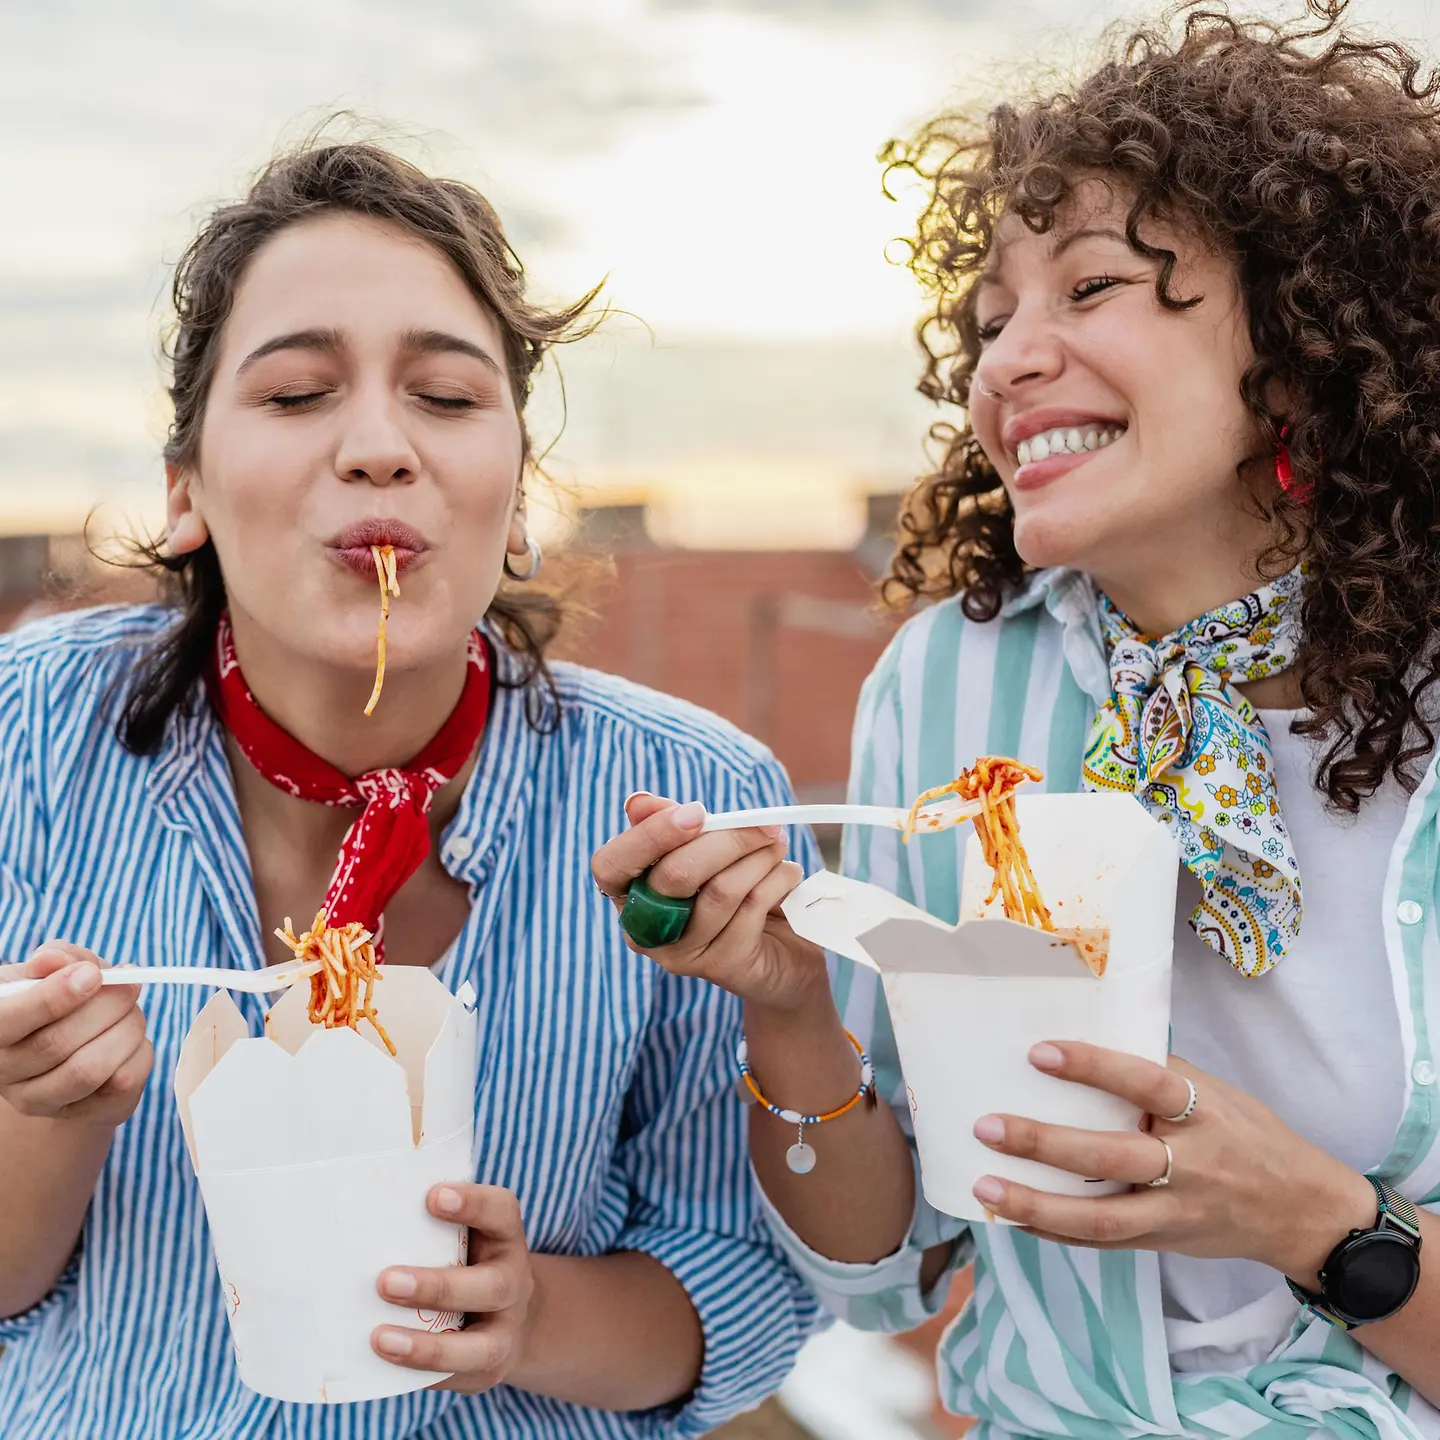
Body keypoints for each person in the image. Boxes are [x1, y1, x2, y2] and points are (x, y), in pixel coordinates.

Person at [593, 3, 1440, 1433]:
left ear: (1298, 344)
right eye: (992, 320)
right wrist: (793, 1011)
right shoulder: (948, 684)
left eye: (1091, 287)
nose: (1009, 360)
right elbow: (879, 1272)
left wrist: (1314, 1223)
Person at [0, 140, 820, 1440]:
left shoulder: (693, 795)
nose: (380, 447)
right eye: (295, 394)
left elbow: (746, 1288)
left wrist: (531, 1316)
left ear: (517, 504)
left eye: (444, 396)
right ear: (184, 489)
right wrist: (41, 1115)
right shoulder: (24, 736)